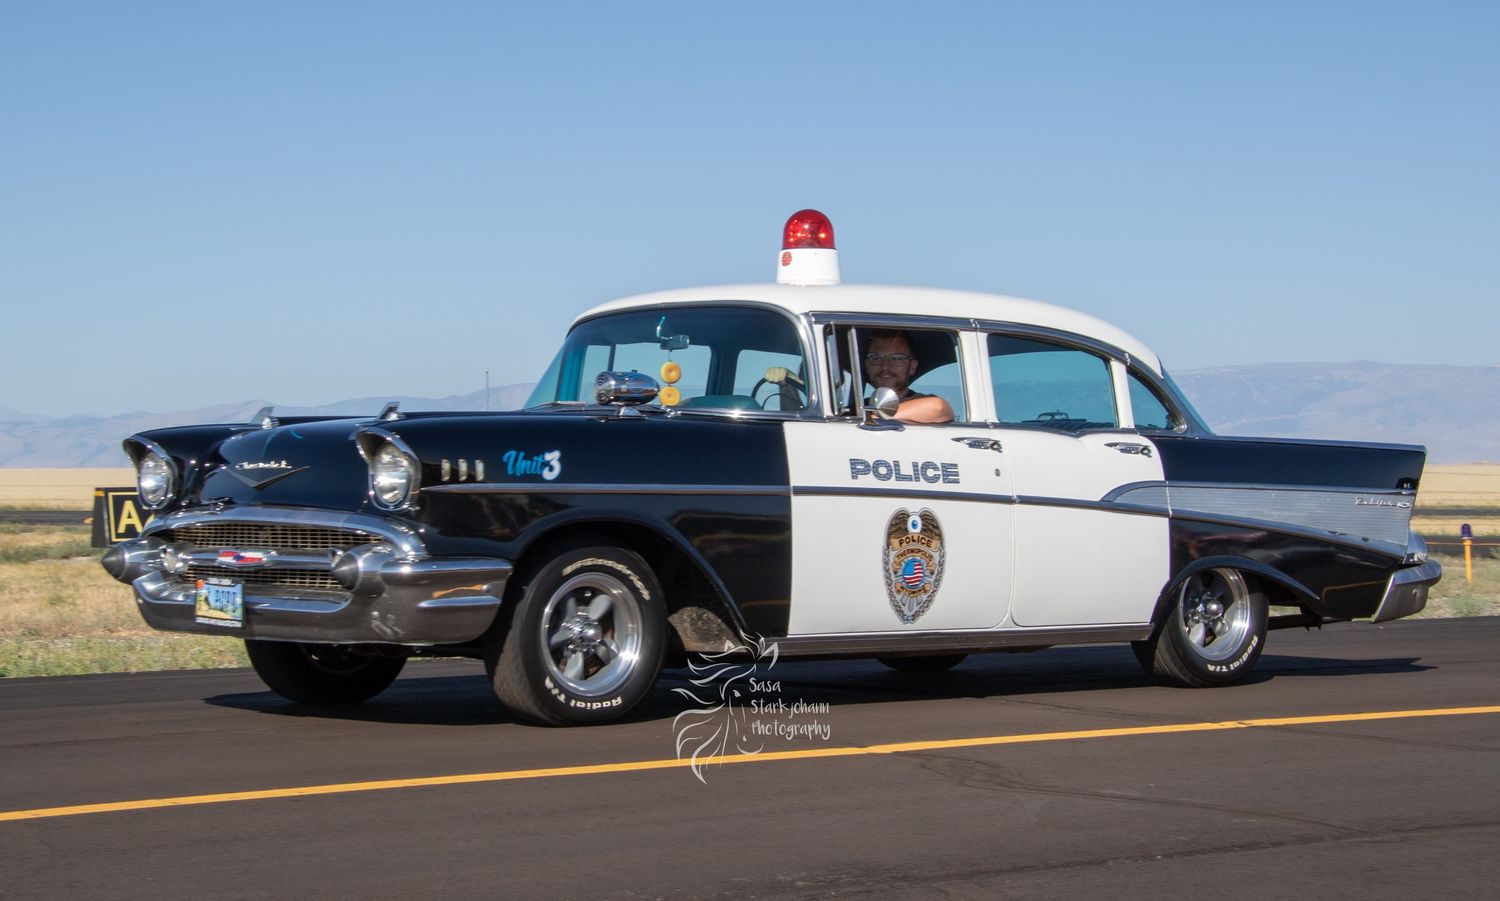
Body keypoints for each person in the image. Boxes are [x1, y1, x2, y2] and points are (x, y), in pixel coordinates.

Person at [863, 330, 955, 423]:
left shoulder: (923, 403)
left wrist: (874, 419)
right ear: (867, 366)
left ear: (912, 367)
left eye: (896, 358)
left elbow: (939, 408)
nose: (885, 366)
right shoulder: (857, 407)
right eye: (876, 358)